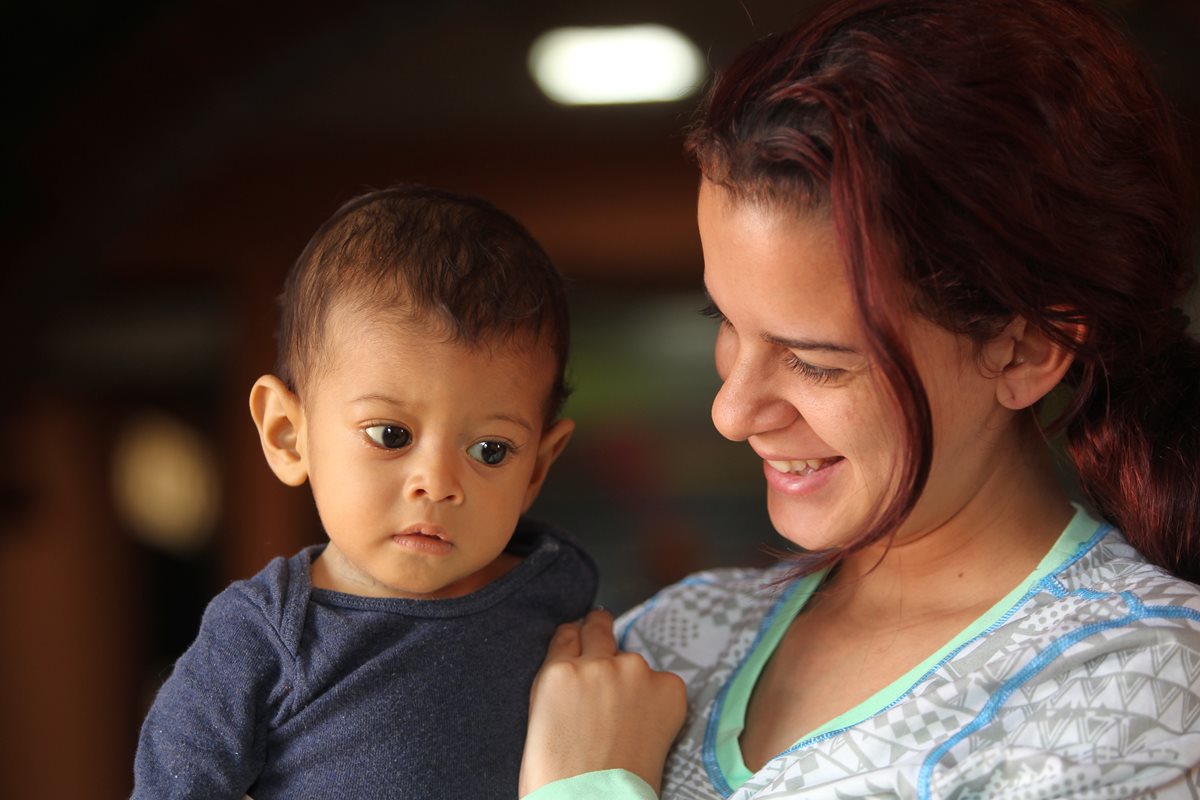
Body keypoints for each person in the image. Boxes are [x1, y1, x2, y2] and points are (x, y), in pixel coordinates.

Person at [518, 0, 1200, 797]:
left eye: (815, 362)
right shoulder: (671, 638)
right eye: (726, 323)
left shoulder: (1134, 689)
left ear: (1027, 348)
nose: (732, 412)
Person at [133, 184, 595, 799]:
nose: (437, 483)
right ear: (288, 434)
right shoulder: (265, 638)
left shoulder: (555, 590)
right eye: (391, 434)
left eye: (491, 450)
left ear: (537, 467)